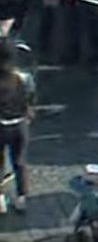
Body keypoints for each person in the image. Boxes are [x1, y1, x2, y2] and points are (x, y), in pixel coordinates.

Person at [0, 40, 33, 214]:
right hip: (19, 126)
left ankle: (0, 201)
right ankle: (21, 198)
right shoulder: (23, 77)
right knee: (19, 162)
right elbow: (30, 97)